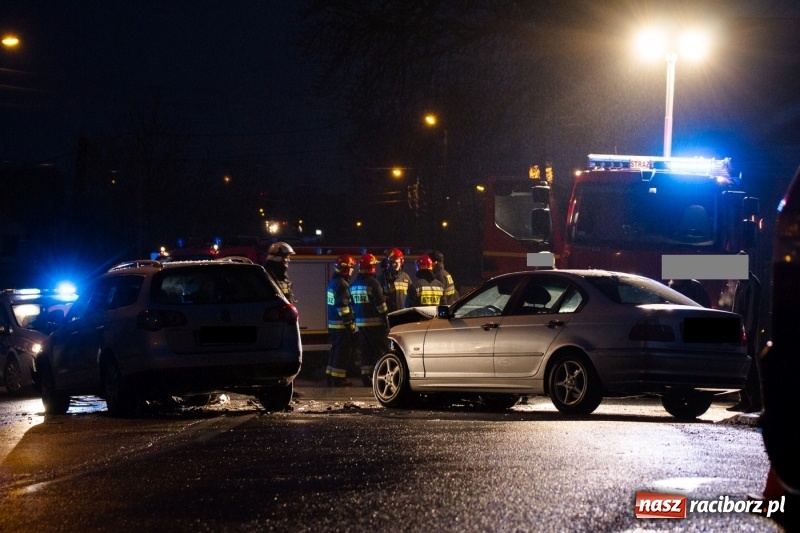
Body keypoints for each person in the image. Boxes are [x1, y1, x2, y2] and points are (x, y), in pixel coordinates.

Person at [350, 253, 390, 386]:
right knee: (380, 352)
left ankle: (365, 378)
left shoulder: (354, 284)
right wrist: (387, 317)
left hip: (361, 325)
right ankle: (382, 377)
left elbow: (352, 305)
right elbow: (381, 306)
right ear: (371, 267)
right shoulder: (373, 283)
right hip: (376, 325)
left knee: (365, 352)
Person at [728, 270, 762, 413]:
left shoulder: (752, 283)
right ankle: (745, 400)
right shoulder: (741, 283)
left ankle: (755, 401)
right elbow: (736, 307)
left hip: (748, 330)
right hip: (741, 328)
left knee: (750, 364)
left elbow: (752, 310)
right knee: (742, 363)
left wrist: (747, 331)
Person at [325, 255, 357, 387]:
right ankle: (339, 379)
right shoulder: (342, 285)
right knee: (342, 352)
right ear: (345, 269)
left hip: (333, 324)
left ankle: (330, 375)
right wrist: (349, 323)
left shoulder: (332, 283)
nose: (352, 271)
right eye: (350, 268)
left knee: (335, 350)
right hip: (341, 325)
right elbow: (343, 306)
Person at [378, 247, 412, 313]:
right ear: (388, 262)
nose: (395, 264)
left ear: (401, 262)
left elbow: (411, 296)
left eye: (397, 261)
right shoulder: (382, 278)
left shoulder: (406, 277)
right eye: (393, 262)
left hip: (404, 315)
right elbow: (379, 298)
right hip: (390, 315)